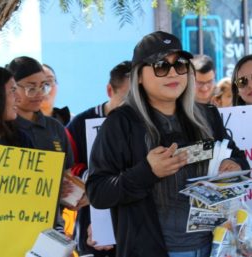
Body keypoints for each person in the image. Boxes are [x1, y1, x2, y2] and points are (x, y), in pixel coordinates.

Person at [86, 31, 249, 257]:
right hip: (151, 250)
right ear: (139, 76)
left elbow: (238, 158)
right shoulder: (121, 123)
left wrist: (234, 165)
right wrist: (147, 171)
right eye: (160, 66)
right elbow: (98, 191)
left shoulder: (207, 116)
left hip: (213, 247)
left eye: (180, 64)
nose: (172, 72)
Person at [67, 60, 131, 256]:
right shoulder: (80, 124)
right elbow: (68, 168)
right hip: (92, 224)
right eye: (128, 98)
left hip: (133, 223)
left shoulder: (145, 124)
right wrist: (94, 181)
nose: (134, 105)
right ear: (110, 90)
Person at [6, 56, 75, 234]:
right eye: (30, 87)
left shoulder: (55, 128)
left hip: (51, 226)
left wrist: (77, 195)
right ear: (12, 88)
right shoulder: (1, 127)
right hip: (7, 225)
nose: (39, 93)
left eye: (44, 86)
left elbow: (67, 176)